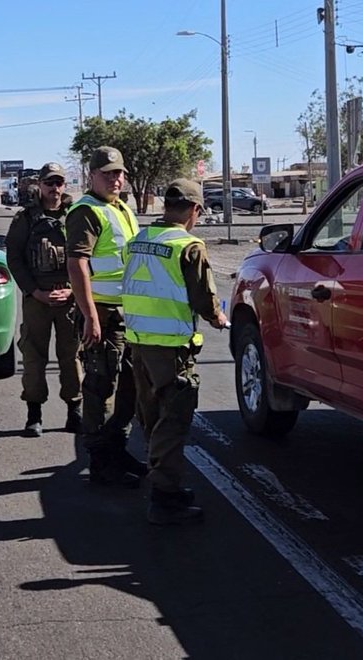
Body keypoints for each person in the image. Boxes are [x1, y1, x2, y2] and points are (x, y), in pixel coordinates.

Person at [121, 179, 227, 524]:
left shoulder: (139, 239)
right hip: (170, 349)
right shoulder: (189, 245)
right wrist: (218, 317)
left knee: (150, 415)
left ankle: (163, 484)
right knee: (174, 419)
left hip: (138, 342)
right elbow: (203, 297)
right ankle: (165, 497)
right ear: (195, 210)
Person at [66, 146, 143, 487]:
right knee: (100, 388)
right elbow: (76, 263)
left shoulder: (122, 208)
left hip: (128, 313)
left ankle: (117, 449)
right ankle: (100, 462)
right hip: (103, 313)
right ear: (92, 176)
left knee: (131, 387)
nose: (116, 179)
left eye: (119, 173)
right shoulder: (85, 211)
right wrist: (90, 315)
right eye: (108, 173)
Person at [6, 162, 83, 437]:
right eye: (50, 183)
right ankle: (34, 414)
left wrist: (74, 291)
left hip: (69, 299)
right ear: (41, 185)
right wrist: (33, 291)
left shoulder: (76, 217)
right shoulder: (24, 219)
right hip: (37, 298)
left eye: (59, 183)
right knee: (34, 357)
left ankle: (74, 410)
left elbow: (89, 256)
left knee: (72, 357)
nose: (55, 188)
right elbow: (14, 257)